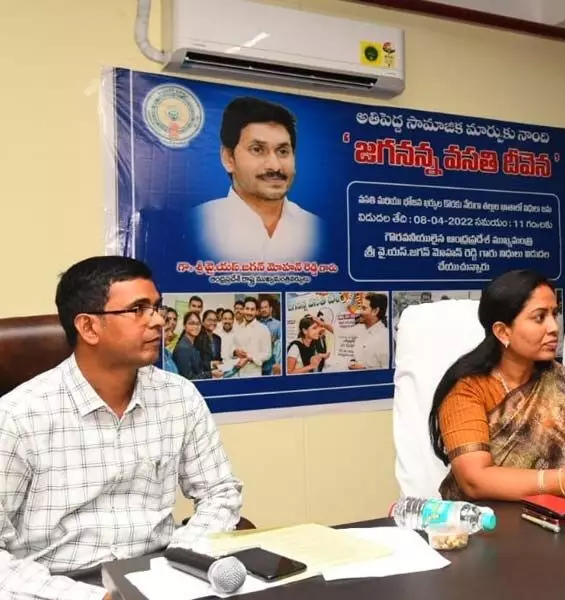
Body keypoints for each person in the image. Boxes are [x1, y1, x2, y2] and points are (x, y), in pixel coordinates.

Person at [0, 256, 243, 600]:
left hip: (159, 576)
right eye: (138, 309)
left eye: (156, 307)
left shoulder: (179, 396)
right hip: (57, 586)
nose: (158, 321)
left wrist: (183, 558)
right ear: (88, 327)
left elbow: (220, 492)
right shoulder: (19, 415)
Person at [429, 269, 565, 505]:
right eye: (539, 317)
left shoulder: (559, 379)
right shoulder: (467, 390)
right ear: (502, 331)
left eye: (554, 314)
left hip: (561, 517)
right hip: (482, 524)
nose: (554, 327)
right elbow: (475, 480)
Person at [194, 96, 320, 262]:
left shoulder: (316, 228)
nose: (275, 166)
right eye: (257, 150)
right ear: (229, 159)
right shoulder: (198, 224)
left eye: (283, 152)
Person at [348, 293, 390, 370]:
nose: (359, 312)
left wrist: (364, 369)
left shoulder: (385, 338)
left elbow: (388, 372)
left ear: (375, 311)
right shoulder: (360, 331)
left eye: (364, 308)